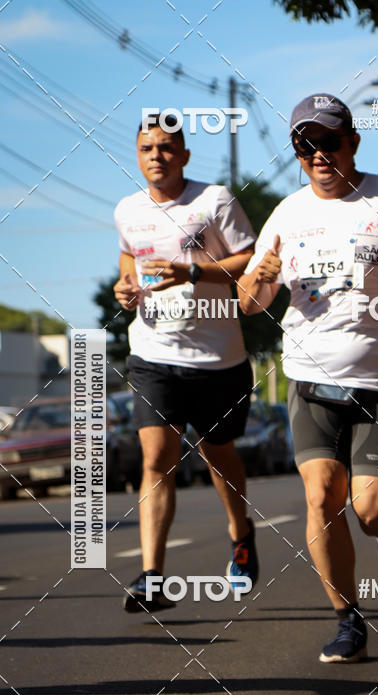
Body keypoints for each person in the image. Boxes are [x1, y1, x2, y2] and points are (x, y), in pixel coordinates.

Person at [238, 93, 378, 662]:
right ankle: (347, 620)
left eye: (329, 141)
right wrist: (259, 279)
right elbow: (248, 301)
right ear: (297, 151)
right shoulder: (288, 213)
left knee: (369, 510)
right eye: (305, 143)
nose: (318, 153)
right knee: (320, 498)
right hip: (309, 380)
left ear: (353, 142)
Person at [113, 114, 258, 613]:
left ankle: (241, 531)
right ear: (138, 156)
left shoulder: (214, 200)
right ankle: (152, 576)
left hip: (218, 357)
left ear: (185, 155)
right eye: (147, 148)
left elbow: (249, 260)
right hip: (153, 353)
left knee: (218, 454)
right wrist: (125, 289)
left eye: (167, 148)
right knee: (157, 459)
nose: (157, 156)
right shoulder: (127, 210)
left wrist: (190, 271)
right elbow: (128, 259)